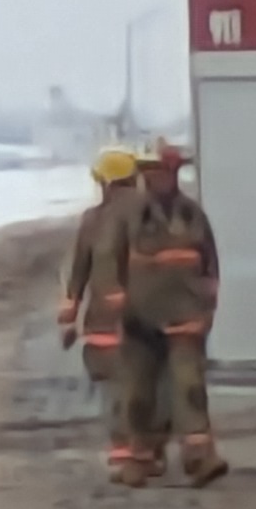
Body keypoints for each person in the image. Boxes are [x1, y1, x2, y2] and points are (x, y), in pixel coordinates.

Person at [89, 138, 226, 487]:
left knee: (189, 387)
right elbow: (107, 256)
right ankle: (140, 459)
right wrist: (115, 296)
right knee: (138, 392)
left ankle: (200, 457)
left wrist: (207, 303)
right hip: (139, 319)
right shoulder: (128, 215)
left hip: (184, 317)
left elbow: (210, 262)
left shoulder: (192, 214)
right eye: (150, 171)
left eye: (162, 171)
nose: (156, 178)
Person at [61, 145, 150, 477]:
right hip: (146, 322)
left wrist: (69, 314)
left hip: (104, 324)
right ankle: (144, 454)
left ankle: (126, 455)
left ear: (106, 183)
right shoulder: (152, 214)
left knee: (114, 392)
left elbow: (79, 271)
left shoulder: (94, 219)